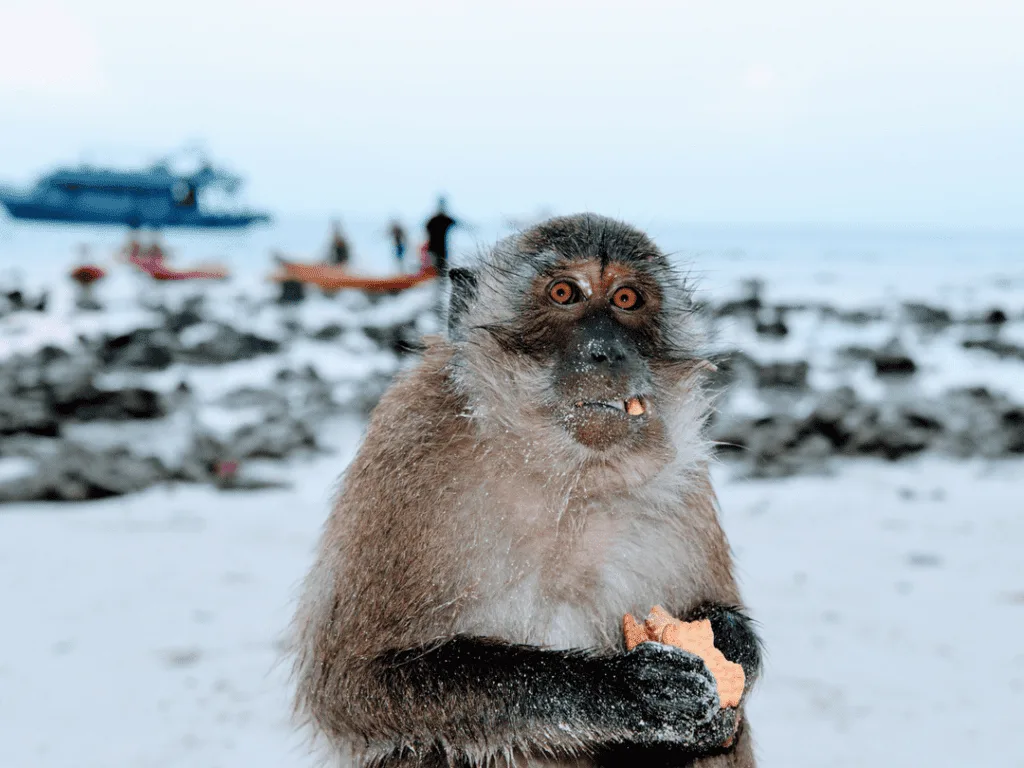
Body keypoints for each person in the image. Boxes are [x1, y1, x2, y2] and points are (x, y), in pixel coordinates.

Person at [424, 197, 457, 274]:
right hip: (436, 249)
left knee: (440, 269)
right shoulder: (440, 220)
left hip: (439, 249)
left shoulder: (435, 220)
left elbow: (426, 230)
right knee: (438, 269)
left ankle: (438, 281)